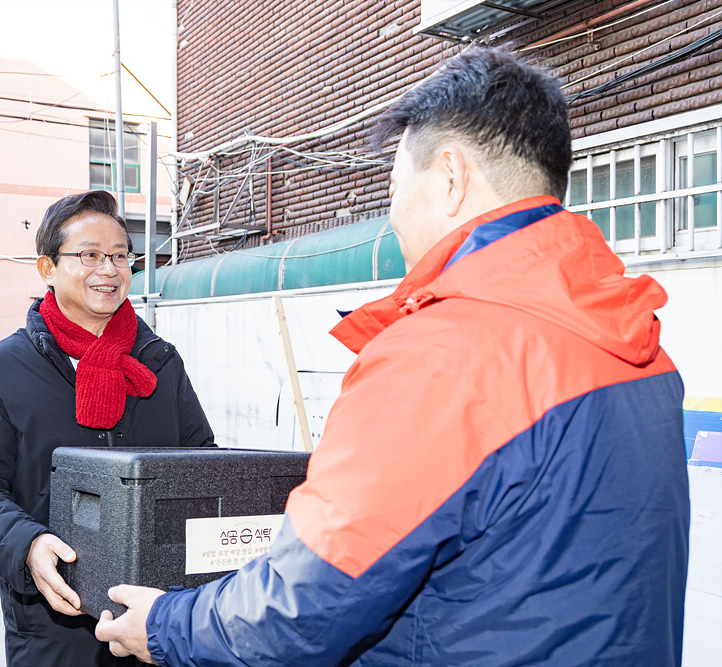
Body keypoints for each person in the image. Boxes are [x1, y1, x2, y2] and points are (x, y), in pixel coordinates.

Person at [94, 47, 690, 666]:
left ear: (451, 177)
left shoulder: (442, 355)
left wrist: (168, 625)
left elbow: (305, 603)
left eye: (396, 185)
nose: (393, 214)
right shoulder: (639, 347)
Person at [0, 190, 215, 667]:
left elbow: (202, 461)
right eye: (89, 255)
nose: (108, 270)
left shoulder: (159, 361)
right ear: (47, 268)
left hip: (154, 610)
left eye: (121, 256)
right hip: (53, 619)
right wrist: (27, 544)